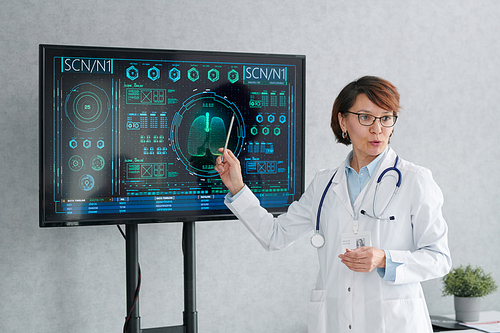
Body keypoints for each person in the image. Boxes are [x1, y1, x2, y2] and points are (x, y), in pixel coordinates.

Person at [214, 76, 451, 333]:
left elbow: (439, 258)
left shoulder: (415, 180)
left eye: (386, 118)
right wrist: (237, 187)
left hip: (393, 323)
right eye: (365, 117)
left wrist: (386, 259)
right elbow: (275, 236)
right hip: (337, 322)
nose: (377, 129)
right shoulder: (325, 183)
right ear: (342, 121)